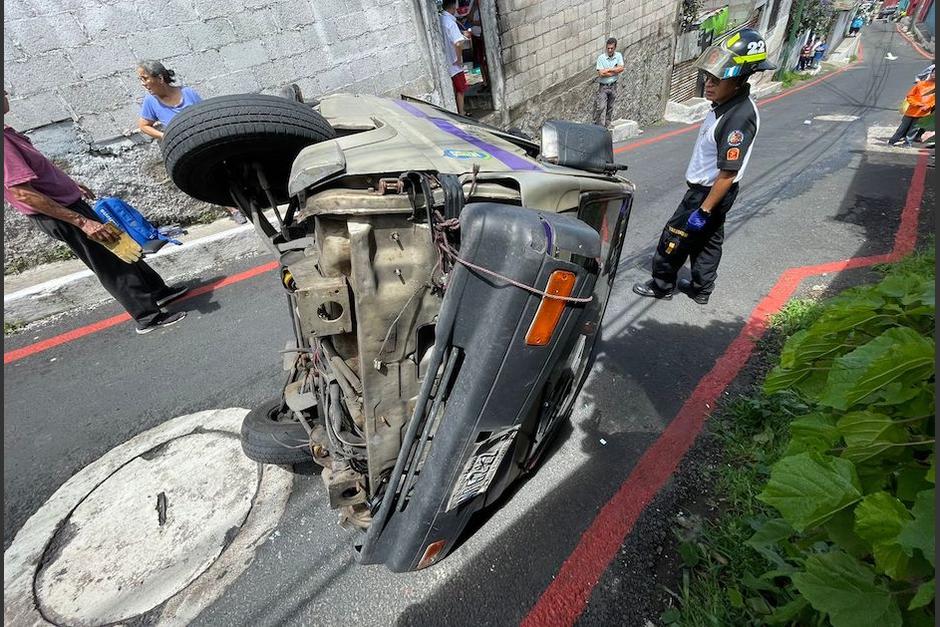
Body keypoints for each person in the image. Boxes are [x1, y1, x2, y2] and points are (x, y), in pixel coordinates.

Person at [4, 92, 188, 334]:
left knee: (121, 247)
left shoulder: (7, 132)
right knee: (109, 262)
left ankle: (158, 292)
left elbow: (38, 172)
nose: (6, 94)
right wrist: (82, 222)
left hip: (68, 203)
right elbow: (22, 193)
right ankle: (148, 317)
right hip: (63, 214)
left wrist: (70, 184)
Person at [632, 29, 775, 304]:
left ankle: (662, 285)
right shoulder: (726, 103)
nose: (708, 84)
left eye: (716, 80)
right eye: (708, 78)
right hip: (717, 192)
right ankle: (701, 289)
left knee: (674, 237)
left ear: (737, 80)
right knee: (708, 242)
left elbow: (728, 172)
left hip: (709, 193)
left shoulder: (737, 118)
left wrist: (704, 209)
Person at [136, 60, 247, 224]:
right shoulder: (150, 101)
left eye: (145, 78)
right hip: (183, 149)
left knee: (227, 169)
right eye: (141, 79)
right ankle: (232, 208)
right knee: (207, 177)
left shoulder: (188, 93)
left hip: (204, 140)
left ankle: (247, 200)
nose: (143, 84)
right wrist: (165, 135)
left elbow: (205, 114)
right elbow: (144, 126)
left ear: (160, 78)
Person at [888, 67, 935, 146]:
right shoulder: (920, 84)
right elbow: (910, 96)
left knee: (914, 129)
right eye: (934, 73)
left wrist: (928, 106)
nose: (934, 75)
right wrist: (917, 104)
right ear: (930, 73)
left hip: (924, 112)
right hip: (912, 111)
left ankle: (907, 143)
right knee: (903, 127)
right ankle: (892, 141)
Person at [440, 0, 471, 115]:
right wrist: (458, 59)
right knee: (461, 89)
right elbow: (458, 43)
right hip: (453, 61)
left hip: (446, 59)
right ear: (453, 7)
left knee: (454, 88)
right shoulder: (451, 22)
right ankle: (461, 112)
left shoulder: (441, 19)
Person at [594, 37, 624, 128]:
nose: (609, 50)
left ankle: (607, 123)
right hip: (603, 86)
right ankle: (597, 123)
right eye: (608, 48)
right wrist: (615, 71)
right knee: (601, 106)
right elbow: (601, 73)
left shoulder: (618, 56)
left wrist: (609, 69)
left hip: (613, 85)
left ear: (615, 48)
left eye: (611, 48)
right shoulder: (601, 58)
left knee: (610, 106)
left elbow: (621, 68)